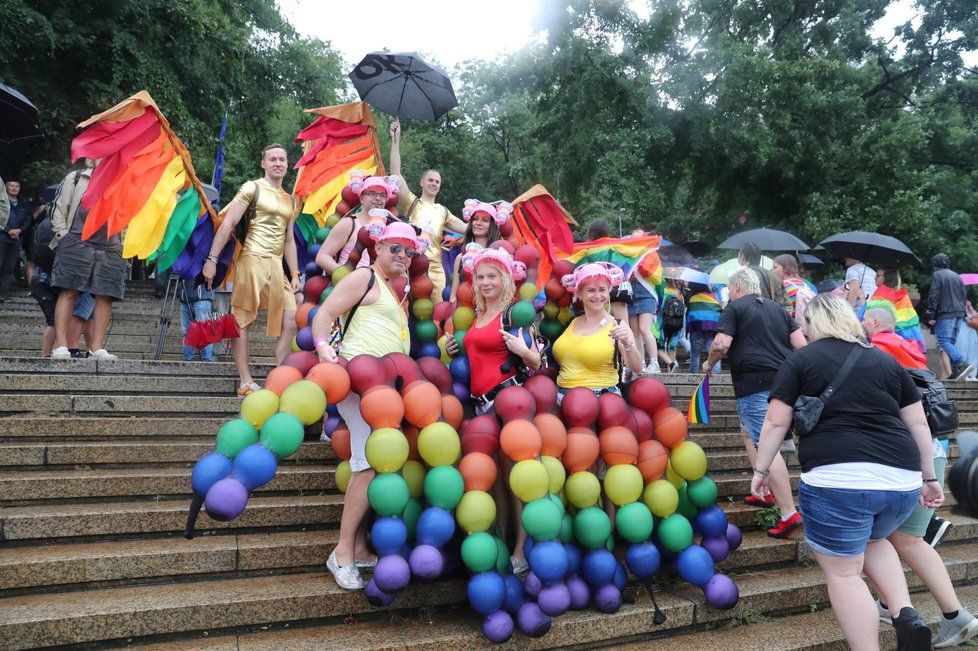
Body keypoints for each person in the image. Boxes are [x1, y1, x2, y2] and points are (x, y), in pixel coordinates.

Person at [752, 294, 943, 650]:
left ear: (812, 324)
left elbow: (776, 421)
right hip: (900, 482)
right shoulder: (885, 362)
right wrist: (928, 477)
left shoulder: (800, 360)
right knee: (874, 539)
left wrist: (761, 469)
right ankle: (905, 614)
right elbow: (917, 421)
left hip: (836, 482)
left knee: (843, 573)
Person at [863, 303, 978, 646]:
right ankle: (949, 615)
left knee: (883, 537)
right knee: (904, 539)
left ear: (872, 322)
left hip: (901, 454)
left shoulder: (876, 351)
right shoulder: (909, 347)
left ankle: (902, 608)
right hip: (933, 449)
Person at [311, 221, 417, 590]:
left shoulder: (395, 290)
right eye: (395, 248)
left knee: (375, 462)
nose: (403, 256)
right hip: (359, 384)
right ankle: (341, 553)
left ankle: (357, 547)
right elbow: (324, 313)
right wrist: (324, 348)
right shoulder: (364, 278)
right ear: (378, 247)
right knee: (368, 464)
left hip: (386, 390)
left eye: (409, 251)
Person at [446, 247, 541, 574]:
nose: (486, 282)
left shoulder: (512, 314)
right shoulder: (476, 315)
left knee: (518, 478)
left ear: (505, 280)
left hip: (508, 402)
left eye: (492, 277)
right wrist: (455, 347)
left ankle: (521, 549)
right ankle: (502, 539)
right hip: (480, 406)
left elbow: (536, 361)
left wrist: (522, 349)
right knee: (496, 479)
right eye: (480, 277)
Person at [703, 267, 805, 537]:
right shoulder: (778, 309)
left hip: (754, 384)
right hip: (784, 382)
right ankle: (764, 493)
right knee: (747, 433)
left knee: (766, 444)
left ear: (736, 287)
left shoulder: (734, 308)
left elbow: (721, 344)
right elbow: (802, 346)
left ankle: (788, 513)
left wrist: (709, 363)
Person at [202, 144, 301, 395]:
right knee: (242, 320)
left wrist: (296, 273)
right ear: (264, 164)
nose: (278, 163)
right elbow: (228, 225)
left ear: (287, 164)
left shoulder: (290, 200)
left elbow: (289, 240)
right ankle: (245, 381)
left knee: (291, 319)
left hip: (277, 265)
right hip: (252, 259)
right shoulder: (252, 187)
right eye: (273, 159)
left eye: (282, 159)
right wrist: (211, 259)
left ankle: (279, 375)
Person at [49, 160, 126, 361]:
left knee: (105, 295)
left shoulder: (122, 179)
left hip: (110, 245)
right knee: (69, 291)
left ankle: (96, 348)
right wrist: (63, 236)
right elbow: (58, 209)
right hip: (75, 240)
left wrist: (124, 242)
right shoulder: (76, 178)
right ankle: (61, 345)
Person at [389, 120, 469, 302]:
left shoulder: (443, 211)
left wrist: (491, 218)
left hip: (435, 268)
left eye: (437, 182)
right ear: (422, 183)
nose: (434, 183)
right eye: (431, 180)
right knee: (407, 308)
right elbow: (395, 172)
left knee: (437, 312)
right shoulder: (412, 201)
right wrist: (396, 139)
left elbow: (467, 228)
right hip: (411, 263)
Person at [553, 262, 644, 398]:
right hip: (562, 399)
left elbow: (637, 368)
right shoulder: (571, 322)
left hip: (602, 402)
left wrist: (628, 343)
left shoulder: (618, 325)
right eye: (591, 290)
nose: (597, 296)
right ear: (579, 293)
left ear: (609, 292)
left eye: (602, 290)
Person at [315, 173, 399, 274]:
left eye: (382, 195)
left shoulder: (390, 227)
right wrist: (347, 277)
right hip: (350, 286)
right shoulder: (349, 224)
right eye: (372, 194)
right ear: (361, 199)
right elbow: (322, 257)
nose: (378, 198)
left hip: (378, 286)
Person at [926, 253, 974, 381]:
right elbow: (963, 295)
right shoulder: (956, 276)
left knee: (943, 341)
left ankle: (961, 363)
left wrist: (931, 314)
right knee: (950, 342)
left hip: (946, 313)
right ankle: (956, 372)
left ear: (935, 264)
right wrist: (963, 313)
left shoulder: (937, 274)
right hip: (959, 313)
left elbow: (934, 295)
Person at [447, 199, 504, 302]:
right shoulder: (460, 258)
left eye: (485, 220)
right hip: (464, 313)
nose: (478, 223)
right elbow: (453, 297)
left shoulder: (499, 256)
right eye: (475, 219)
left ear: (493, 225)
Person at [869, 267, 926, 355]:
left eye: (877, 275)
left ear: (886, 278)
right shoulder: (904, 296)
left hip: (887, 342)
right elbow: (912, 320)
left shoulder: (878, 296)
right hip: (910, 340)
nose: (874, 278)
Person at [0, 179, 31, 301]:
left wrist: (19, 230)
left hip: (16, 240)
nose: (14, 188)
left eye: (16, 186)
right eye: (11, 186)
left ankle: (3, 293)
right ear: (6, 188)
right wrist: (8, 230)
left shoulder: (23, 204)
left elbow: (28, 221)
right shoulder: (2, 202)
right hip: (2, 237)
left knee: (9, 267)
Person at [772, 254, 816, 331]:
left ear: (786, 268)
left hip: (792, 329)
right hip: (809, 327)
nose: (772, 271)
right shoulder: (803, 283)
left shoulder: (783, 285)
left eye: (775, 267)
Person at [686, 286, 722, 373]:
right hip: (711, 328)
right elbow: (719, 311)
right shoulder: (713, 298)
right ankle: (716, 374)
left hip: (696, 327)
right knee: (713, 352)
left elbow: (690, 313)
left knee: (695, 354)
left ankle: (693, 373)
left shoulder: (693, 298)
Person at [179, 279, 215, 361]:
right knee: (186, 331)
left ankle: (207, 360)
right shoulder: (180, 266)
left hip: (202, 296)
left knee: (205, 331)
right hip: (185, 297)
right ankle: (187, 360)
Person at [958, 300, 978, 382]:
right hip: (961, 332)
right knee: (962, 352)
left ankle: (972, 375)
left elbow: (976, 319)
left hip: (972, 333)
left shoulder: (971, 309)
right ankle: (962, 374)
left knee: (973, 354)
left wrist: (970, 307)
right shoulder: (958, 306)